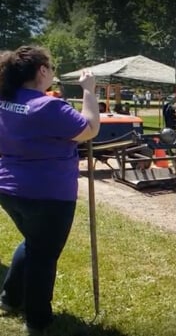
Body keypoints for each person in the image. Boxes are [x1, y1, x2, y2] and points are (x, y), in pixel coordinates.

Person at [0, 45, 100, 334]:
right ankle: (37, 320)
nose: (53, 73)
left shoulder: (6, 100)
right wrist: (89, 91)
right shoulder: (47, 106)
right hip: (47, 194)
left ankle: (10, 298)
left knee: (34, 241)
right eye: (52, 68)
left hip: (9, 190)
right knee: (44, 255)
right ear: (42, 71)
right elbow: (90, 128)